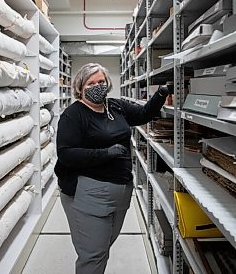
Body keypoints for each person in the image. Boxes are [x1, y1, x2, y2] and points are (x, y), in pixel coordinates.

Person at [55, 62, 169, 274]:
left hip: (121, 192)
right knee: (93, 255)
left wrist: (161, 94)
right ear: (80, 88)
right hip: (89, 194)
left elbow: (143, 114)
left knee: (103, 247)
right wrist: (105, 153)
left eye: (101, 81)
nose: (97, 86)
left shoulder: (115, 106)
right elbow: (66, 154)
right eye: (91, 83)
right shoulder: (73, 115)